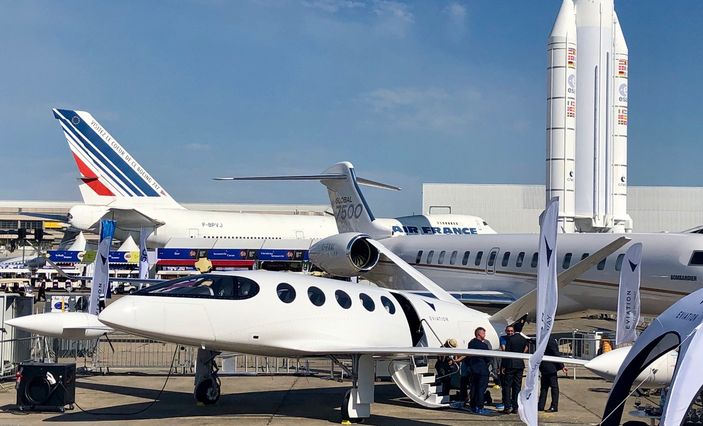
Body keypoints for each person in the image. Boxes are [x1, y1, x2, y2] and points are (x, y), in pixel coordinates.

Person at [500, 325, 528, 414]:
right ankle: (515, 407)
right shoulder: (523, 339)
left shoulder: (510, 339)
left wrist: (503, 366)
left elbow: (507, 353)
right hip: (520, 364)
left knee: (507, 386)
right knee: (517, 386)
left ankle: (507, 407)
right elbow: (526, 348)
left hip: (510, 364)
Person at [538, 335, 568, 412]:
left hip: (550, 368)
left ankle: (554, 406)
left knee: (553, 387)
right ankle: (541, 405)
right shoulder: (544, 339)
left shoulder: (549, 340)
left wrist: (562, 366)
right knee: (544, 387)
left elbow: (556, 353)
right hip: (545, 367)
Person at [467, 327, 492, 414]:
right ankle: (480, 407)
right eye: (483, 333)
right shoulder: (483, 345)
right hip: (482, 370)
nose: (485, 335)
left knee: (474, 388)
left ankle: (473, 406)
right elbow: (488, 358)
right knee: (481, 389)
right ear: (479, 334)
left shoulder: (471, 343)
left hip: (473, 369)